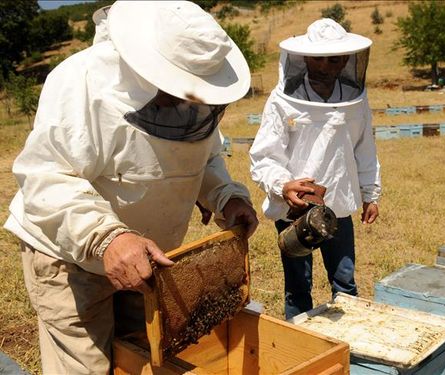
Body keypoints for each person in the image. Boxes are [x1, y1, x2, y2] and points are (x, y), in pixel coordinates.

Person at [3, 1, 258, 373]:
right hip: (68, 257)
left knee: (140, 358)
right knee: (86, 368)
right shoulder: (82, 80)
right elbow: (45, 175)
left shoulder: (195, 103)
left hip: (149, 261)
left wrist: (226, 197)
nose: (186, 100)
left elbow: (202, 158)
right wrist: (107, 237)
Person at [250, 18, 382, 320]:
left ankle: (349, 353)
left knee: (345, 283)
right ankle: (299, 352)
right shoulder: (282, 101)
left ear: (346, 59)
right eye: (318, 58)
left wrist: (370, 193)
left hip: (338, 206)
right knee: (297, 286)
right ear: (304, 58)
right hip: (294, 209)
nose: (325, 66)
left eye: (334, 59)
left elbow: (364, 147)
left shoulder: (355, 100)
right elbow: (264, 157)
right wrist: (283, 185)